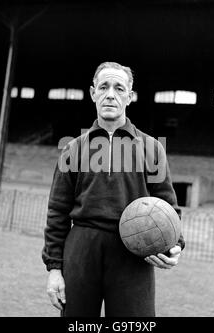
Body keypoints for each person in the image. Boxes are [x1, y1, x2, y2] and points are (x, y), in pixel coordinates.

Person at [42, 61, 185, 317]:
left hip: (134, 253)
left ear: (129, 96)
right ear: (92, 93)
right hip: (82, 250)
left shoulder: (152, 148)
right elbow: (57, 211)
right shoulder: (73, 149)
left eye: (119, 88)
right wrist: (54, 268)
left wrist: (174, 246)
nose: (110, 94)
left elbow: (168, 206)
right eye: (103, 86)